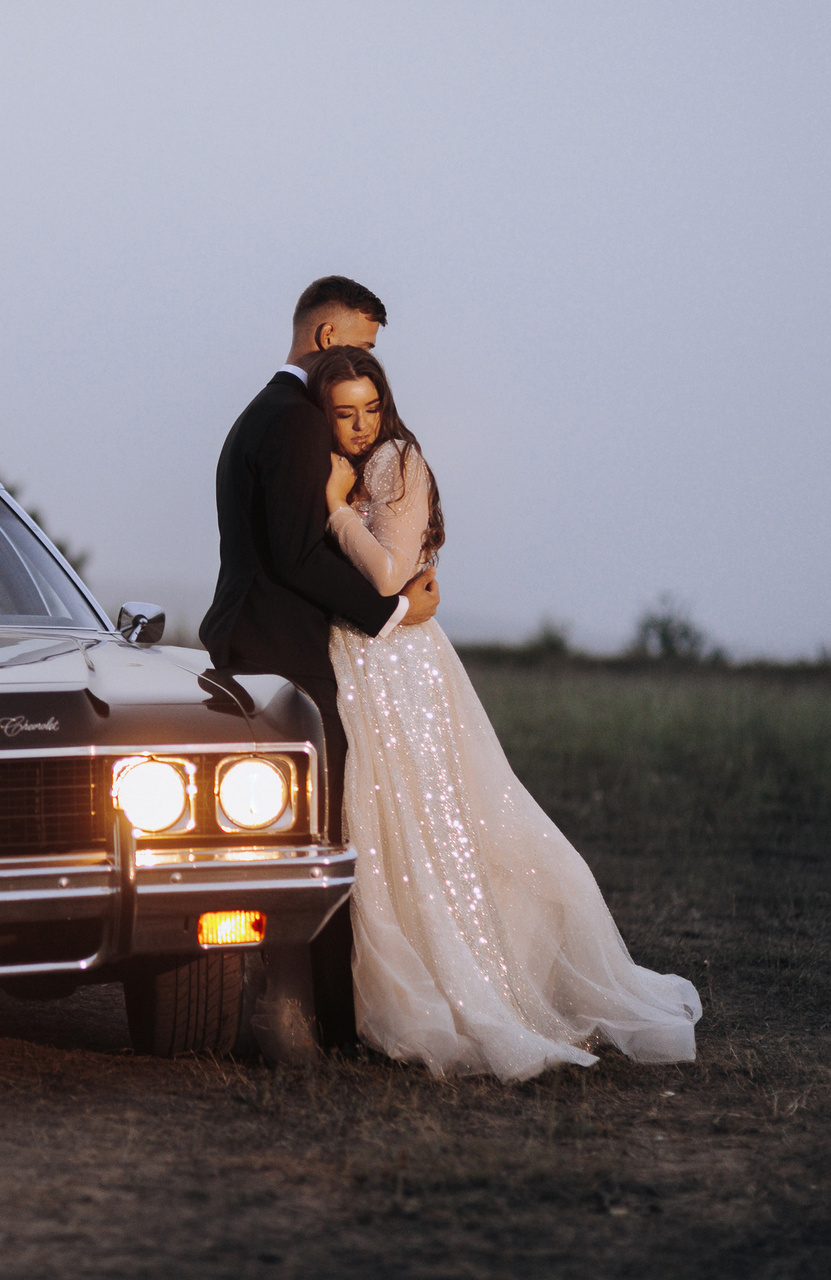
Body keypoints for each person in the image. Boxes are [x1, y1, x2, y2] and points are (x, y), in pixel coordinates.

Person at [308, 344, 702, 1079]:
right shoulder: (344, 462)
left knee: (439, 819)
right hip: (363, 660)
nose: (361, 426)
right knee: (388, 819)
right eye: (344, 413)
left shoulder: (396, 460)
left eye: (370, 409)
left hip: (399, 665)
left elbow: (389, 575)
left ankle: (482, 980)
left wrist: (335, 510)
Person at [200, 276, 439, 1055]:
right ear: (329, 338)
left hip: (250, 642)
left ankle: (295, 1012)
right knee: (317, 837)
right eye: (362, 344)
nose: (364, 362)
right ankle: (322, 1023)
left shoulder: (258, 413)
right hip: (283, 652)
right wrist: (393, 611)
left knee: (283, 834)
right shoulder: (297, 421)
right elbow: (298, 552)